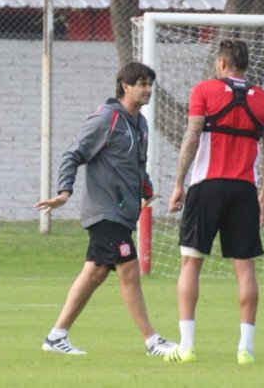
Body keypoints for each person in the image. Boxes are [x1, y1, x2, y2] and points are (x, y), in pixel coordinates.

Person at [35, 62, 177, 357]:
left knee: (96, 273)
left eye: (151, 84)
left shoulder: (141, 123)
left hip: (123, 213)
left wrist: (146, 190)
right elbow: (72, 154)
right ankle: (153, 342)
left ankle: (55, 337)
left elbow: (136, 165)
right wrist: (64, 191)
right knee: (129, 269)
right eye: (143, 84)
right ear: (126, 86)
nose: (149, 90)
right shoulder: (105, 119)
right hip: (103, 211)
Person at [166, 39, 264, 365]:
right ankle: (246, 349)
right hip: (244, 191)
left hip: (206, 188)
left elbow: (192, 136)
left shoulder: (204, 91)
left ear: (221, 63)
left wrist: (178, 183)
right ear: (246, 66)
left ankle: (186, 347)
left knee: (191, 264)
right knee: (245, 270)